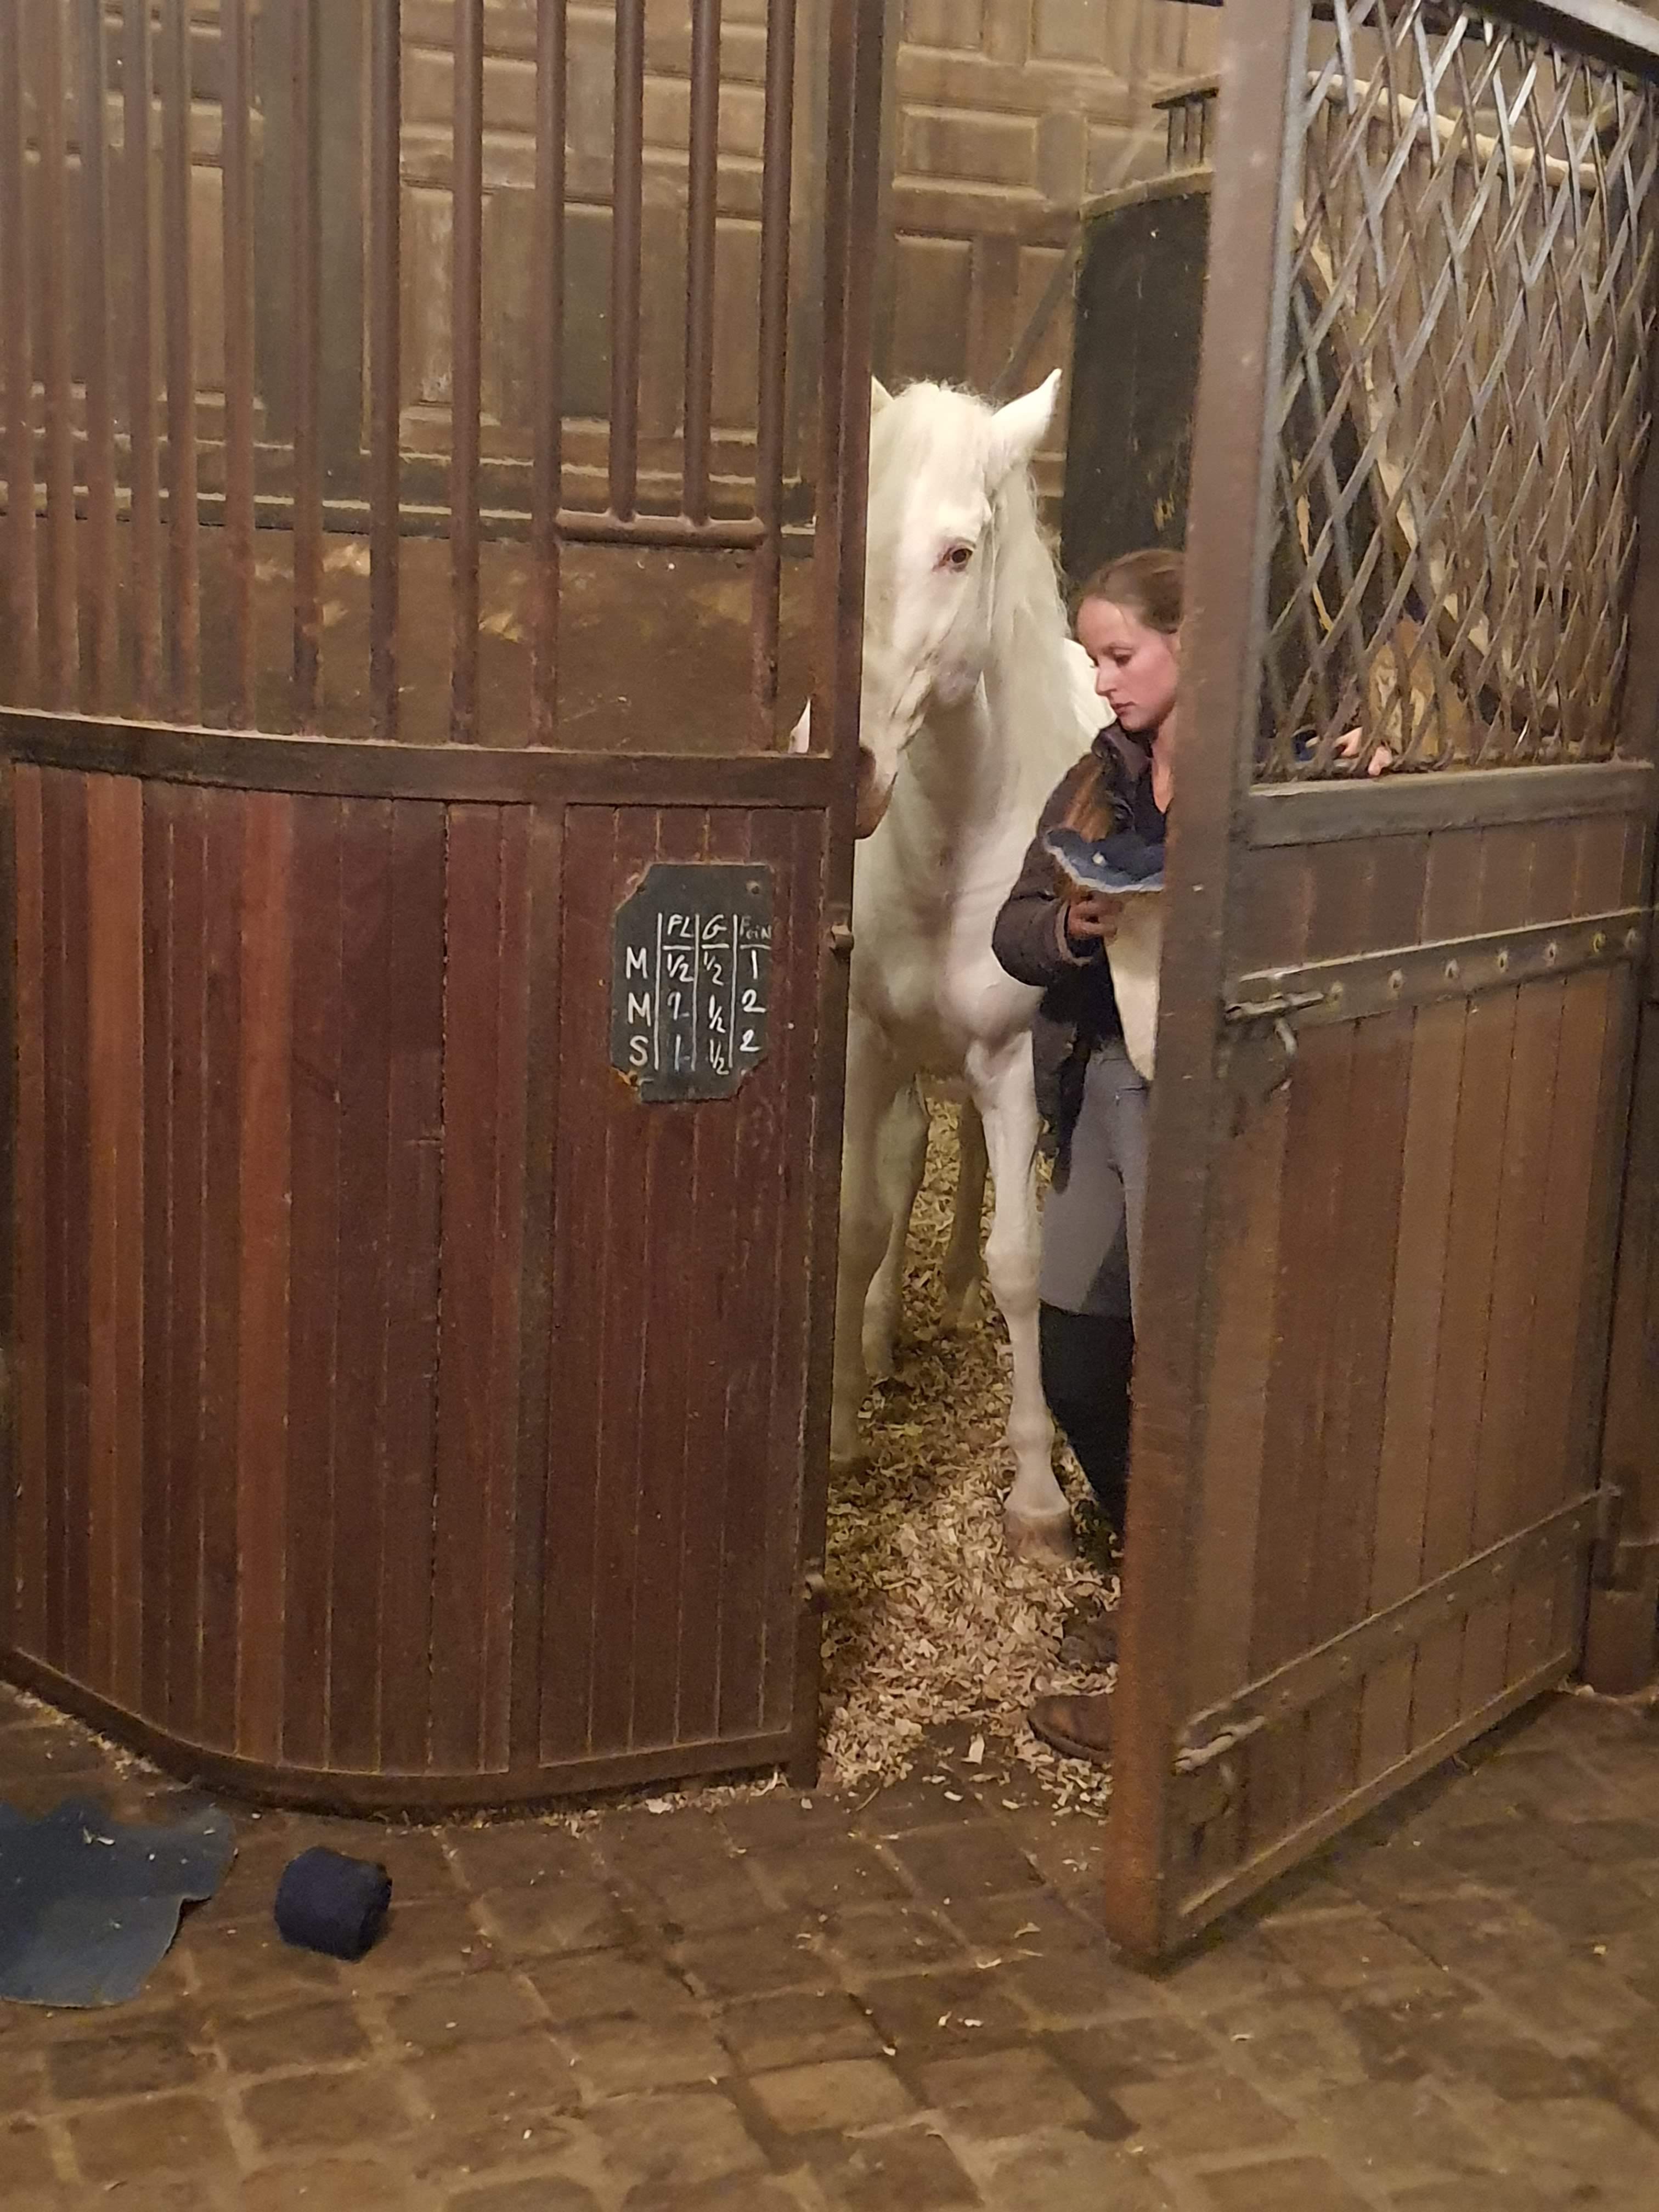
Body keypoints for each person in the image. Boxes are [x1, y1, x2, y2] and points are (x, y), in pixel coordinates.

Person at [991, 547, 1178, 1764]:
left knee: (1186, 1373)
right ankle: (1158, 1587)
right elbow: (1014, 929)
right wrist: (1071, 921)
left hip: (1201, 1098)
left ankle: (1176, 1667)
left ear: (1192, 643)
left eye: (1121, 655)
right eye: (1095, 657)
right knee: (1075, 1360)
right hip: (1102, 1081)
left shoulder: (1278, 772)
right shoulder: (1095, 777)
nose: (1101, 680)